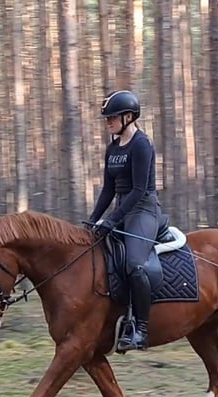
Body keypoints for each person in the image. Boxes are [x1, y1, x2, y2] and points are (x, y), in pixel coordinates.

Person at [87, 90, 162, 351]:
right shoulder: (112, 148)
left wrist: (112, 220)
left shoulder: (141, 144)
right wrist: (93, 220)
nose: (108, 122)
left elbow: (139, 190)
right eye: (107, 119)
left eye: (112, 118)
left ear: (128, 117)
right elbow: (108, 190)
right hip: (121, 210)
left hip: (143, 210)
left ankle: (141, 329)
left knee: (134, 264)